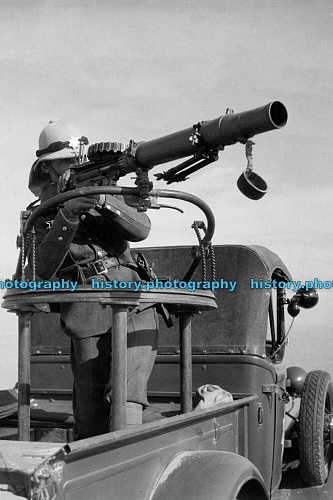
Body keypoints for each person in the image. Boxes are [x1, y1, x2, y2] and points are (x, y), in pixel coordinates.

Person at [28, 119, 159, 439]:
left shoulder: (103, 187)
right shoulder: (41, 212)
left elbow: (141, 228)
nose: (72, 166)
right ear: (47, 168)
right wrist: (67, 215)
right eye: (63, 162)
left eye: (76, 159)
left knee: (127, 399)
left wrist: (103, 199)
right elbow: (42, 269)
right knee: (90, 414)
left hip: (132, 299)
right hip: (85, 311)